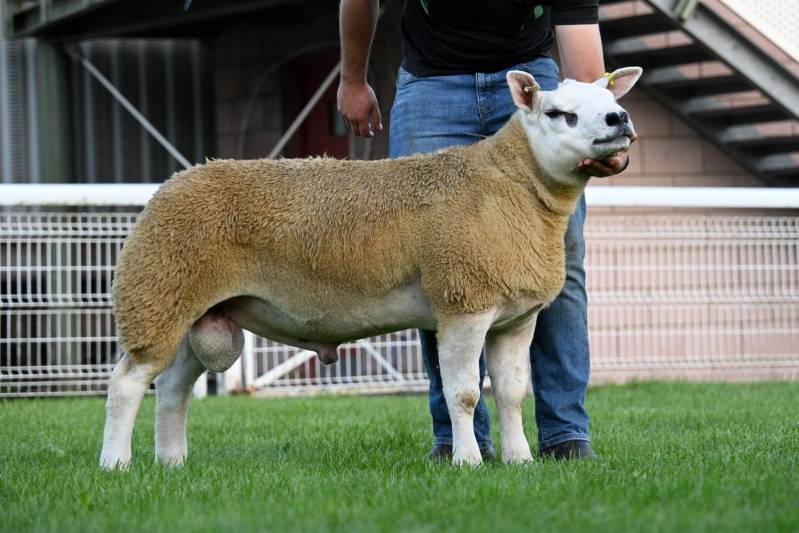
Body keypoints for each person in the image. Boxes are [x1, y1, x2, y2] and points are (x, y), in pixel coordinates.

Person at [337, 0, 631, 461]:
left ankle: (565, 433)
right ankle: (461, 437)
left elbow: (586, 65)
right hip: (432, 83)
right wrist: (352, 80)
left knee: (562, 251)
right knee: (437, 261)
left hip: (532, 81)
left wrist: (607, 139)